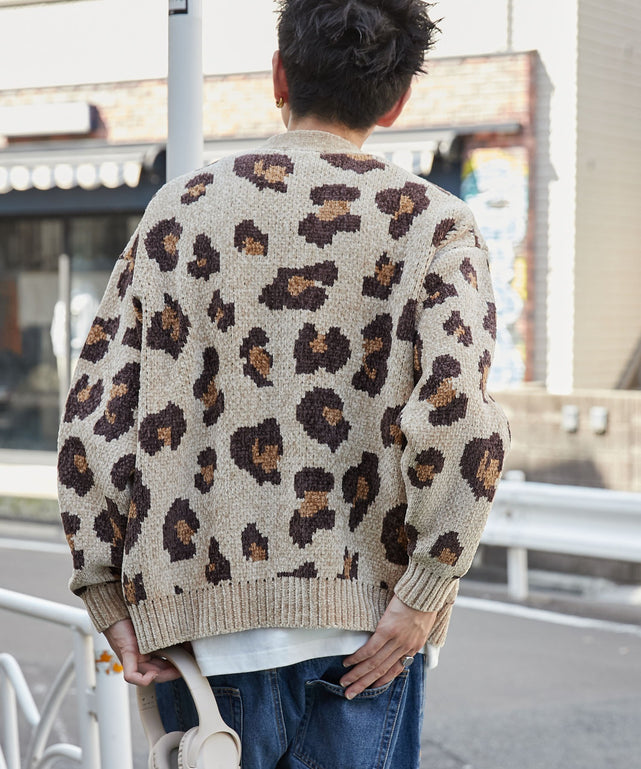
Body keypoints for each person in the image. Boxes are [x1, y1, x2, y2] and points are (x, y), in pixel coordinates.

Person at [57, 1, 510, 766]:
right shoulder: (432, 224)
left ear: (278, 75)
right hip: (365, 634)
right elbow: (461, 422)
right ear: (397, 100)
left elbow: (96, 419)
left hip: (199, 637)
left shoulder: (179, 213)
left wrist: (107, 594)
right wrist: (426, 590)